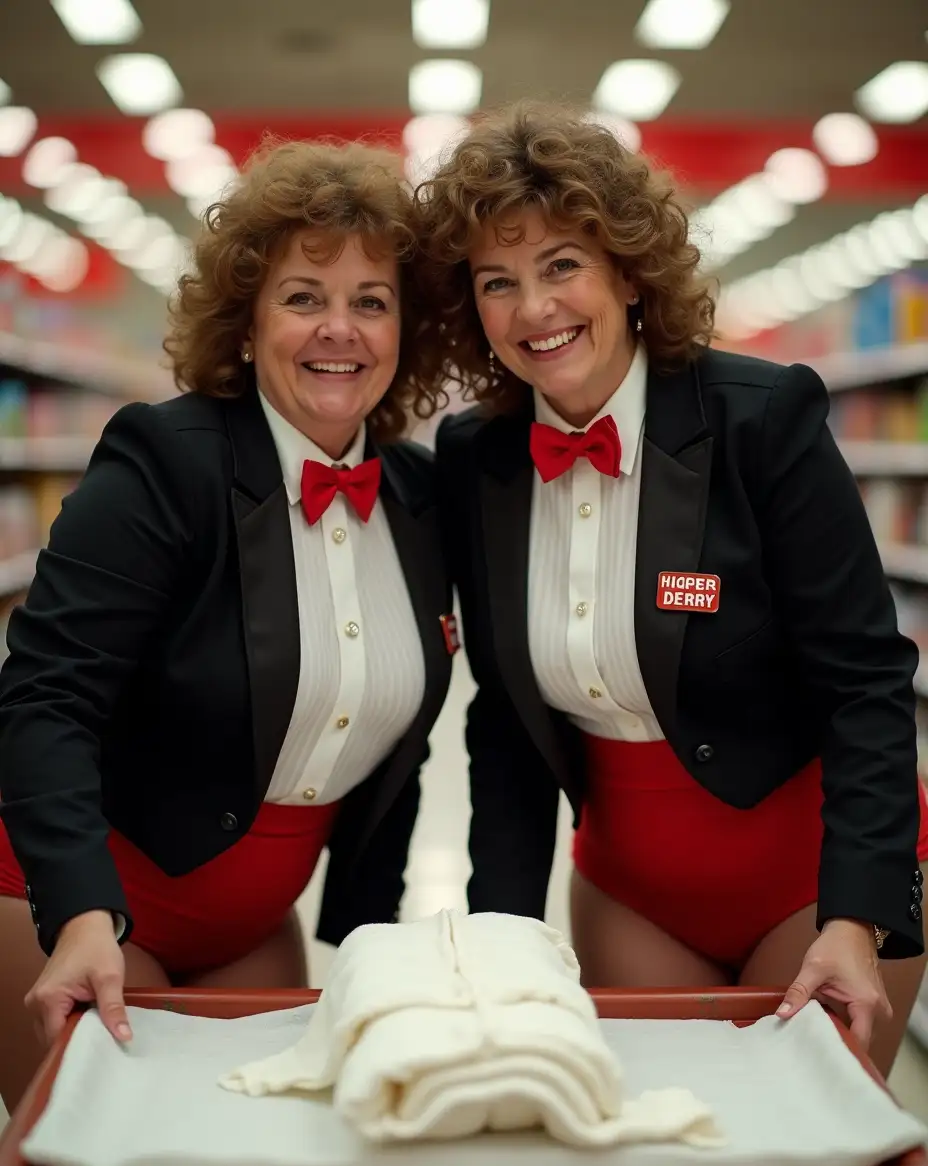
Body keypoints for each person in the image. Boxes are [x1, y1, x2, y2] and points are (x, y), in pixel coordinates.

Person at [415, 101, 928, 1078]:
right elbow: (507, 725)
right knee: (651, 1157)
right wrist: (499, 937)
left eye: (562, 264)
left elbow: (863, 679)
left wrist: (860, 913)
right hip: (628, 890)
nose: (534, 308)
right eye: (497, 281)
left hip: (812, 877)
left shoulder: (760, 418)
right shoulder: (477, 458)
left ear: (628, 269)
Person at [0, 138, 454, 1111]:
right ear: (246, 324)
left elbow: (401, 727)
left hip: (254, 917)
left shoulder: (420, 497)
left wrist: (374, 937)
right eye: (303, 297)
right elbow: (44, 696)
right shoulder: (165, 465)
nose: (340, 328)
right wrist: (78, 909)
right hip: (78, 894)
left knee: (267, 1163)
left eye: (370, 300)